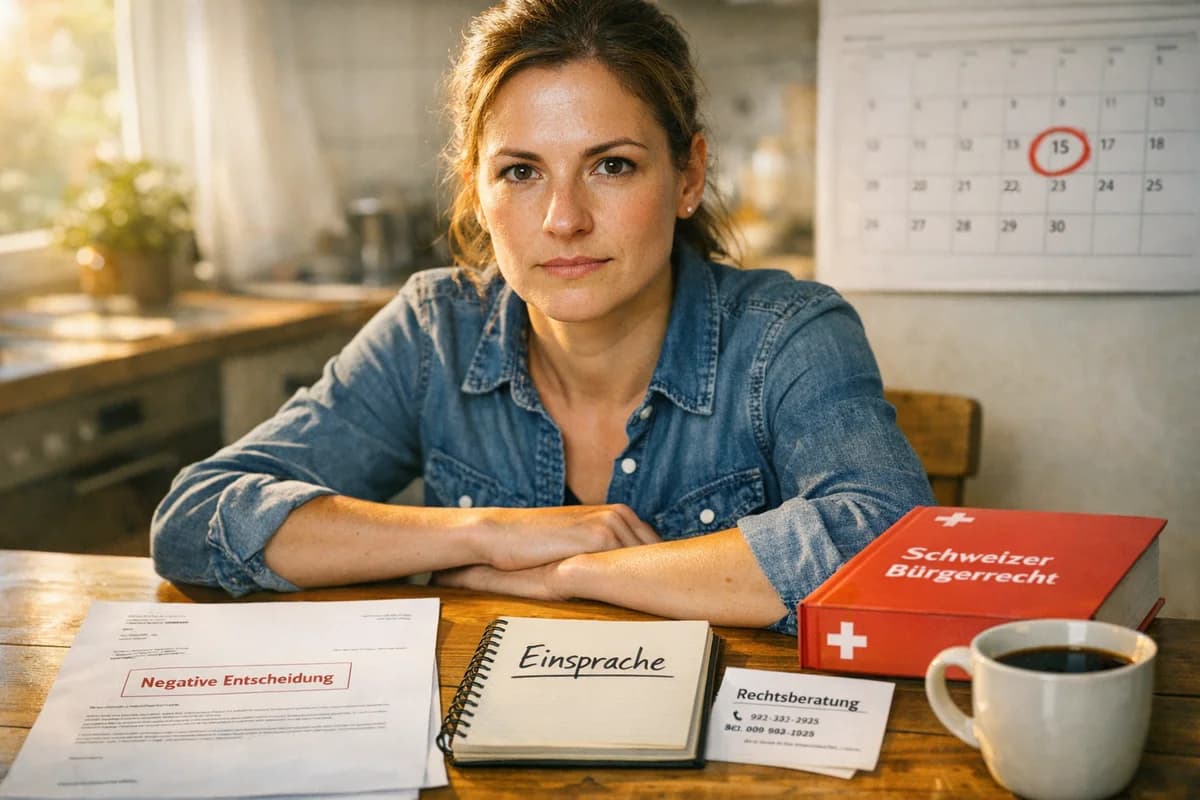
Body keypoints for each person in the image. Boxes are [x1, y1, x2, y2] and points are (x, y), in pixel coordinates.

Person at [151, 0, 934, 635]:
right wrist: (486, 535)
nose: (564, 218)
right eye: (521, 172)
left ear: (688, 175)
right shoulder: (435, 329)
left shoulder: (788, 333)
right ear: (477, 190)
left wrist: (576, 573)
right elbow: (196, 518)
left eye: (612, 165)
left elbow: (892, 546)